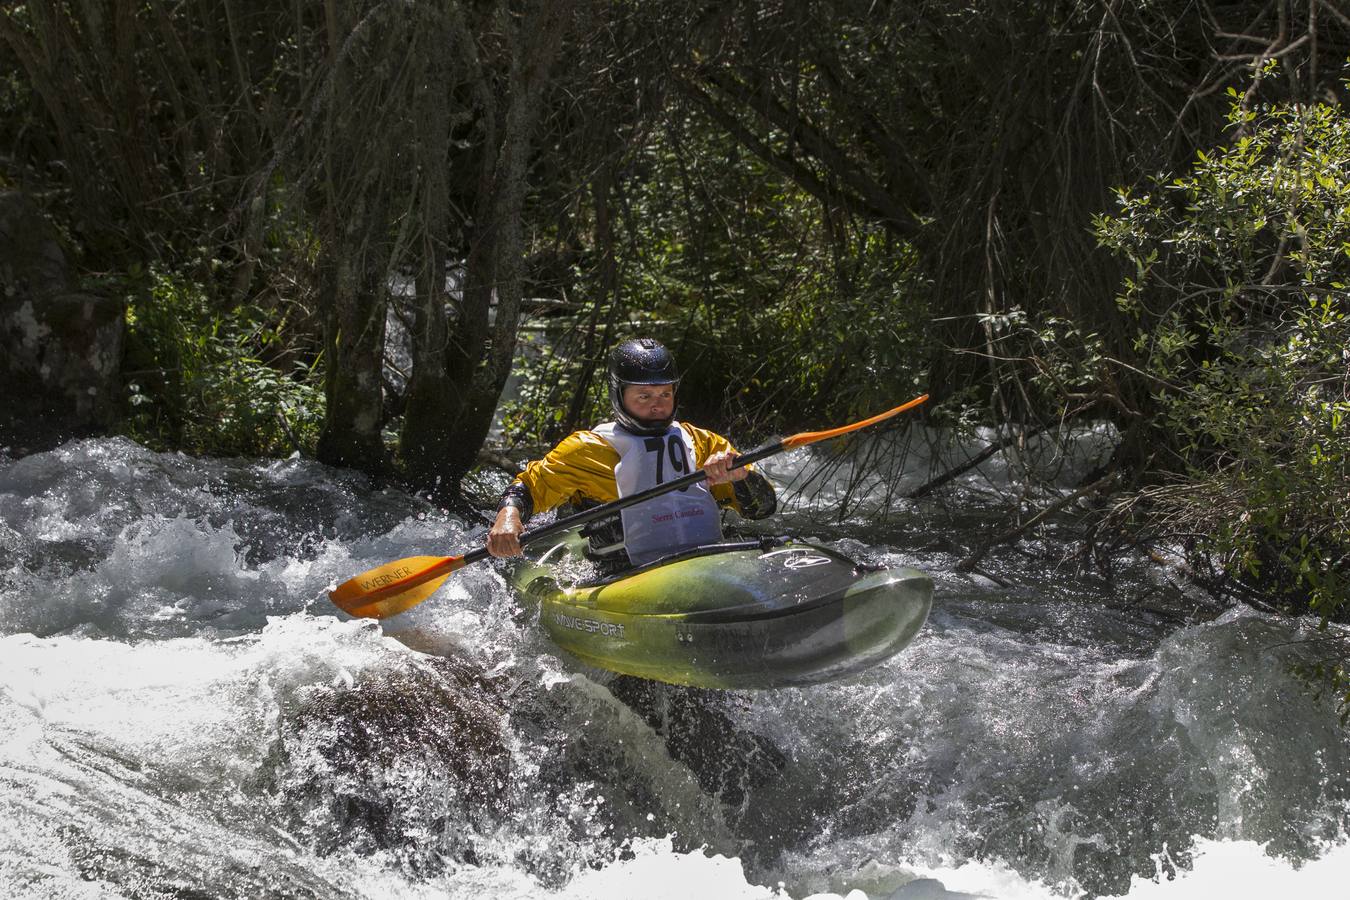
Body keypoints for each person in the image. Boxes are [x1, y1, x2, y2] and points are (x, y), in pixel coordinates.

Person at [487, 338, 776, 568]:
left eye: (665, 394)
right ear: (619, 395)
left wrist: (741, 477)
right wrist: (508, 518)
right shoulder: (588, 448)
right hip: (622, 574)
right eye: (644, 396)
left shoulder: (702, 442)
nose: (658, 405)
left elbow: (762, 509)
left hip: (705, 562)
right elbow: (529, 486)